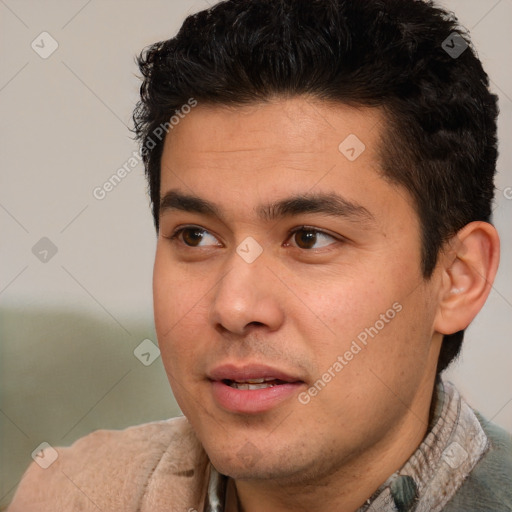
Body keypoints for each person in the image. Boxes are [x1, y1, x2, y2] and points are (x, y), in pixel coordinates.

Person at [8, 0, 512, 510]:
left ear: (458, 277)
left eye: (310, 238)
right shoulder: (72, 492)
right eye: (196, 237)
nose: (235, 307)